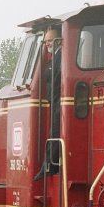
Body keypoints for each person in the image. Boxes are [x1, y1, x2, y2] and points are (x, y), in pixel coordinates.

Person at [34, 26, 62, 180]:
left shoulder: (62, 57)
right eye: (45, 42)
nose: (47, 44)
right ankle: (49, 164)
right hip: (55, 100)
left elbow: (57, 79)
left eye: (50, 40)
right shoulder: (54, 57)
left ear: (59, 40)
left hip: (59, 101)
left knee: (55, 131)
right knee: (53, 132)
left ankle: (49, 165)